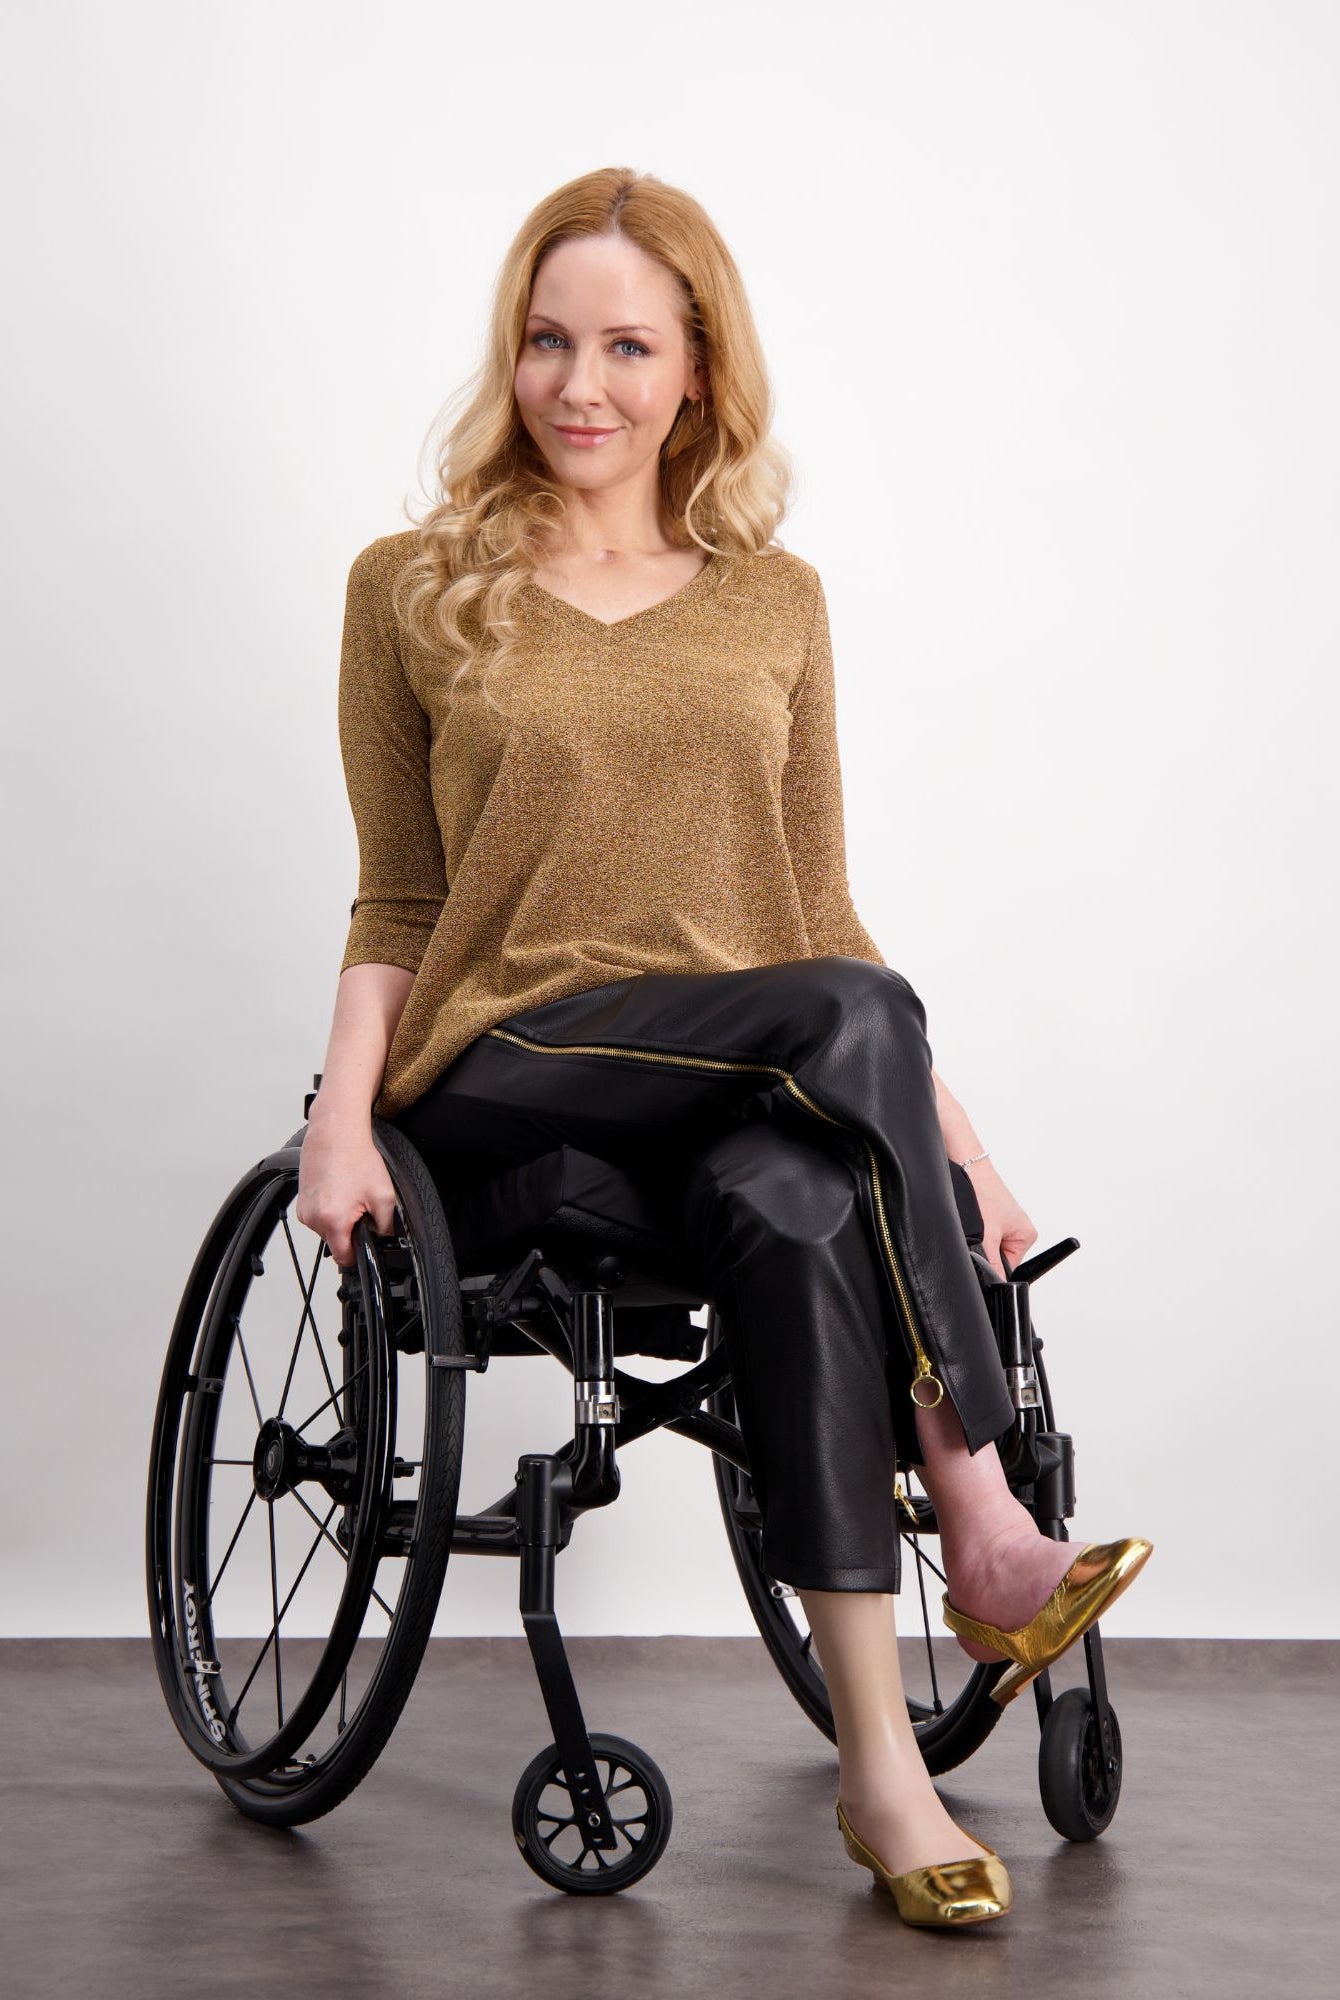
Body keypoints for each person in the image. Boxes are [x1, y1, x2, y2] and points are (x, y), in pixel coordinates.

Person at [296, 166, 1152, 1928]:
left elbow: (822, 922)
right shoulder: (413, 588)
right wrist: (339, 1114)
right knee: (842, 1037)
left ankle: (880, 1772)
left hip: (748, 1074)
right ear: (511, 357)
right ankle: (978, 1505)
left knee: (802, 1201)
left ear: (699, 373)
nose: (579, 385)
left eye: (626, 344)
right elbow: (397, 901)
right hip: (507, 1068)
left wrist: (955, 1142)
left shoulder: (776, 603)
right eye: (547, 342)